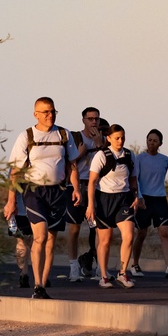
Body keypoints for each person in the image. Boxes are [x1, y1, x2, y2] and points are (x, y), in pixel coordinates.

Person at [3, 97, 80, 300]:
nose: (50, 115)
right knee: (40, 236)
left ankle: (43, 283)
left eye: (53, 111)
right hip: (34, 191)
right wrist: (11, 201)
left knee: (51, 240)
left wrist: (76, 189)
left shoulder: (64, 134)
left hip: (58, 191)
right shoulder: (26, 136)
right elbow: (15, 171)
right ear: (35, 114)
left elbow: (72, 164)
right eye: (45, 112)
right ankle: (37, 285)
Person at [87, 124, 139, 289]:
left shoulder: (130, 155)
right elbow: (92, 182)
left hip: (124, 199)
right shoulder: (101, 155)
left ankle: (123, 273)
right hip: (104, 199)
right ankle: (103, 275)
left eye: (122, 137)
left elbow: (133, 180)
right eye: (116, 138)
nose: (120, 140)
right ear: (108, 138)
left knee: (129, 235)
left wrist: (137, 196)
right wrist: (90, 205)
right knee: (105, 240)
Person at [131, 128, 168, 278]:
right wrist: (138, 197)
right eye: (149, 140)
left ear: (160, 143)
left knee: (163, 232)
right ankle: (135, 264)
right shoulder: (139, 158)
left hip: (159, 198)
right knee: (142, 233)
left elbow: (160, 178)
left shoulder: (165, 160)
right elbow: (135, 179)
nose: (151, 143)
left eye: (155, 141)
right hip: (144, 197)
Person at [66, 107, 104, 281]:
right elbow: (69, 164)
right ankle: (74, 267)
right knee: (74, 229)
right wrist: (80, 154)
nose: (94, 122)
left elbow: (107, 162)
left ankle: (98, 267)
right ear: (83, 120)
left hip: (96, 187)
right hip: (78, 185)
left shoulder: (102, 140)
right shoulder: (76, 138)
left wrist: (99, 144)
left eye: (96, 118)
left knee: (97, 229)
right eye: (90, 119)